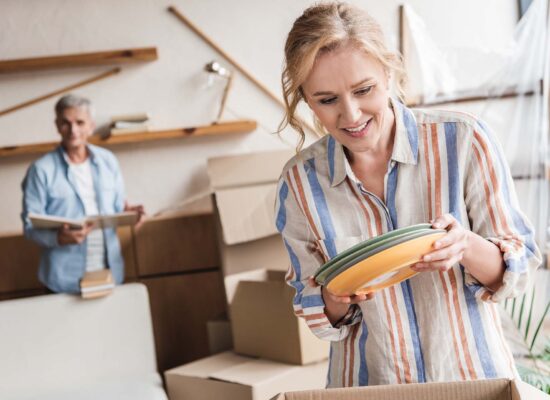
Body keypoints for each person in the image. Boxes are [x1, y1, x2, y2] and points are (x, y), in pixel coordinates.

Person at [275, 2, 541, 387]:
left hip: (473, 383)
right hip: (369, 387)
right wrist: (335, 298)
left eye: (363, 90)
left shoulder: (465, 141)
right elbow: (313, 308)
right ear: (305, 98)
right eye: (326, 100)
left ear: (389, 71)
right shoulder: (299, 183)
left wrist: (463, 245)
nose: (350, 115)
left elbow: (519, 269)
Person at [21, 94, 145, 294]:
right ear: (57, 125)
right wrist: (59, 238)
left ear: (91, 125)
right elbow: (29, 227)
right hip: (62, 281)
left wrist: (130, 213)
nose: (73, 130)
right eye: (66, 123)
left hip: (109, 273)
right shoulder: (41, 170)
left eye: (80, 122)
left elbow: (116, 208)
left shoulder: (108, 162)